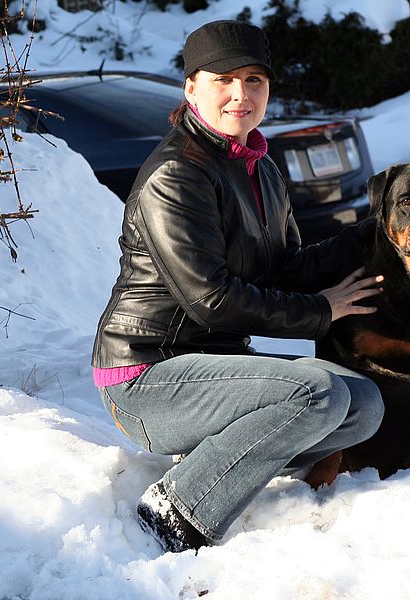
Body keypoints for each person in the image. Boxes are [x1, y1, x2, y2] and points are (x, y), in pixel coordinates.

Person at [91, 19, 385, 553]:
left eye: (254, 80)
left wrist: (369, 236)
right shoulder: (176, 173)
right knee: (315, 393)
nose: (239, 95)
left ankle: (230, 464)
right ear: (191, 87)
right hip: (146, 376)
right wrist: (322, 312)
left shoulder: (260, 169)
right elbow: (212, 299)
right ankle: (178, 507)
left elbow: (284, 268)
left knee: (363, 402)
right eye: (222, 79)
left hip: (216, 370)